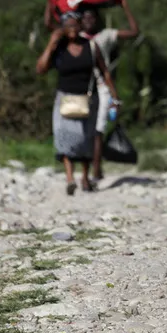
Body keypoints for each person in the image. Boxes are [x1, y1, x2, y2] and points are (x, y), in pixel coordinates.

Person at [37, 11, 120, 195]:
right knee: (64, 137)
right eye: (69, 26)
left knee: (85, 139)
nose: (72, 29)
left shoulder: (91, 46)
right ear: (63, 29)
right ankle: (69, 178)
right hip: (64, 98)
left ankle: (84, 177)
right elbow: (40, 68)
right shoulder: (58, 49)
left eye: (75, 25)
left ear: (81, 26)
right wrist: (51, 43)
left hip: (88, 98)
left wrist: (114, 98)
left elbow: (105, 72)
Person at [81, 0, 140, 182]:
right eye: (85, 18)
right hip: (80, 88)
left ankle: (96, 170)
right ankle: (87, 171)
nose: (89, 21)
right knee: (84, 131)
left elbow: (133, 32)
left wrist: (125, 6)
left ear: (97, 19)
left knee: (99, 130)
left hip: (102, 87)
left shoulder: (106, 35)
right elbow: (51, 27)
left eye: (92, 17)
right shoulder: (76, 36)